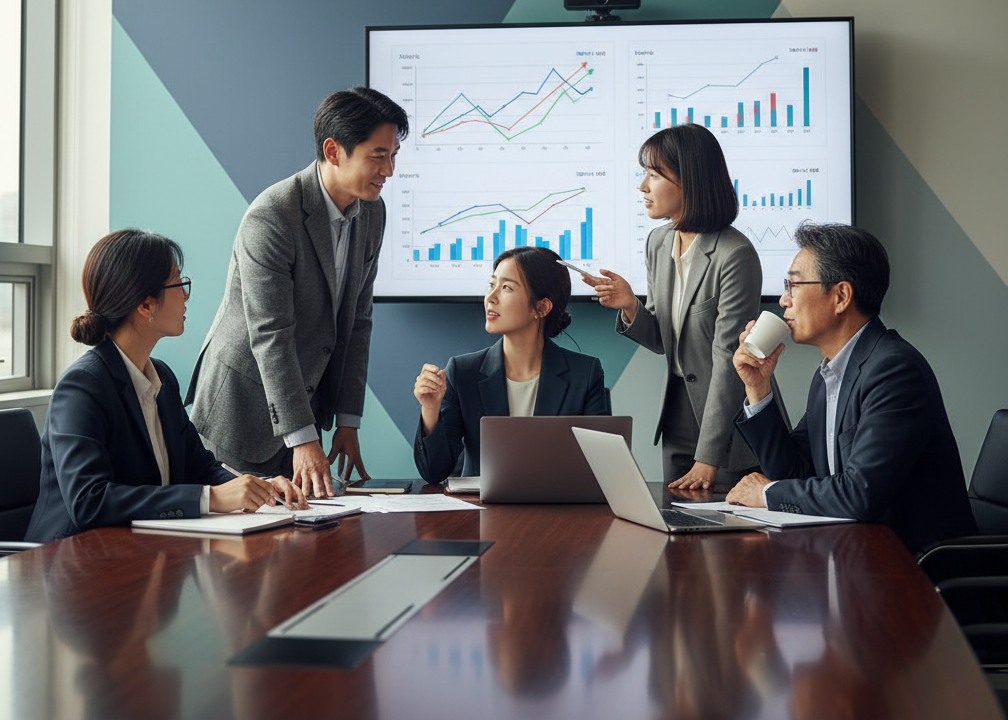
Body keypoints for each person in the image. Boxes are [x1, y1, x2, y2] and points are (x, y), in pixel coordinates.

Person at [186, 87, 408, 497]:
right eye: (378, 155)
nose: (389, 171)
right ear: (334, 150)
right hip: (243, 407)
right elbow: (272, 335)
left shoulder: (372, 212)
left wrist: (347, 420)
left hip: (300, 404)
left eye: (394, 155)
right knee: (241, 549)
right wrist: (303, 438)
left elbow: (358, 321)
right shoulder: (272, 216)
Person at [25, 230, 305, 543]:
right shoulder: (82, 386)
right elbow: (89, 501)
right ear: (146, 305)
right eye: (178, 283)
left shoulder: (162, 377)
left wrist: (259, 488)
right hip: (72, 565)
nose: (185, 295)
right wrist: (210, 499)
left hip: (139, 554)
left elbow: (200, 468)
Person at [726, 221, 977, 554]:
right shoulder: (829, 374)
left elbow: (860, 495)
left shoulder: (893, 370)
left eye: (794, 286)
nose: (784, 300)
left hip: (914, 576)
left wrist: (767, 494)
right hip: (855, 558)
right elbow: (795, 471)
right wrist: (758, 388)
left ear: (841, 296)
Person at [583, 123, 768, 490]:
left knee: (727, 539)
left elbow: (730, 359)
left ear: (690, 181)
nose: (643, 187)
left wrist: (708, 456)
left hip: (728, 419)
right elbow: (666, 341)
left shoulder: (735, 255)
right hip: (677, 413)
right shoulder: (657, 242)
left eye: (654, 175)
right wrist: (631, 307)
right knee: (679, 531)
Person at [413, 246, 609, 485]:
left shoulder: (585, 374)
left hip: (557, 513)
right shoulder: (463, 372)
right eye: (491, 285)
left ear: (541, 307)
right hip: (483, 514)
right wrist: (430, 410)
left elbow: (601, 469)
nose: (491, 297)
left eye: (506, 287)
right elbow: (434, 472)